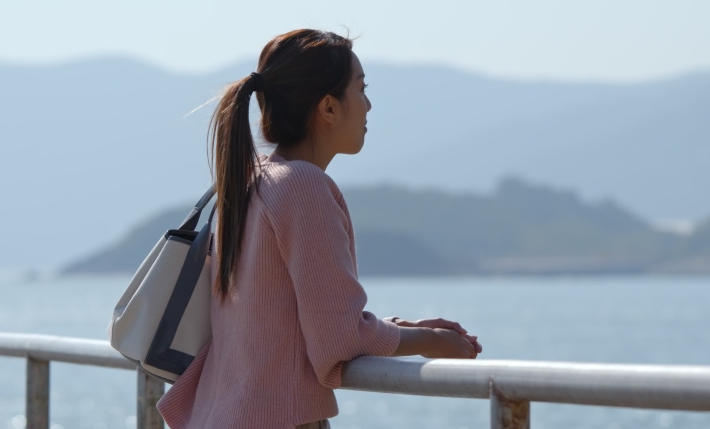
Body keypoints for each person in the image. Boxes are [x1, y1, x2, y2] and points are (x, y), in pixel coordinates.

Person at [156, 29, 481, 429]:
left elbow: (280, 323)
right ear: (328, 107)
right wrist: (432, 342)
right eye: (361, 89)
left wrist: (396, 329)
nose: (368, 104)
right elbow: (339, 341)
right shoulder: (302, 187)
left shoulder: (249, 183)